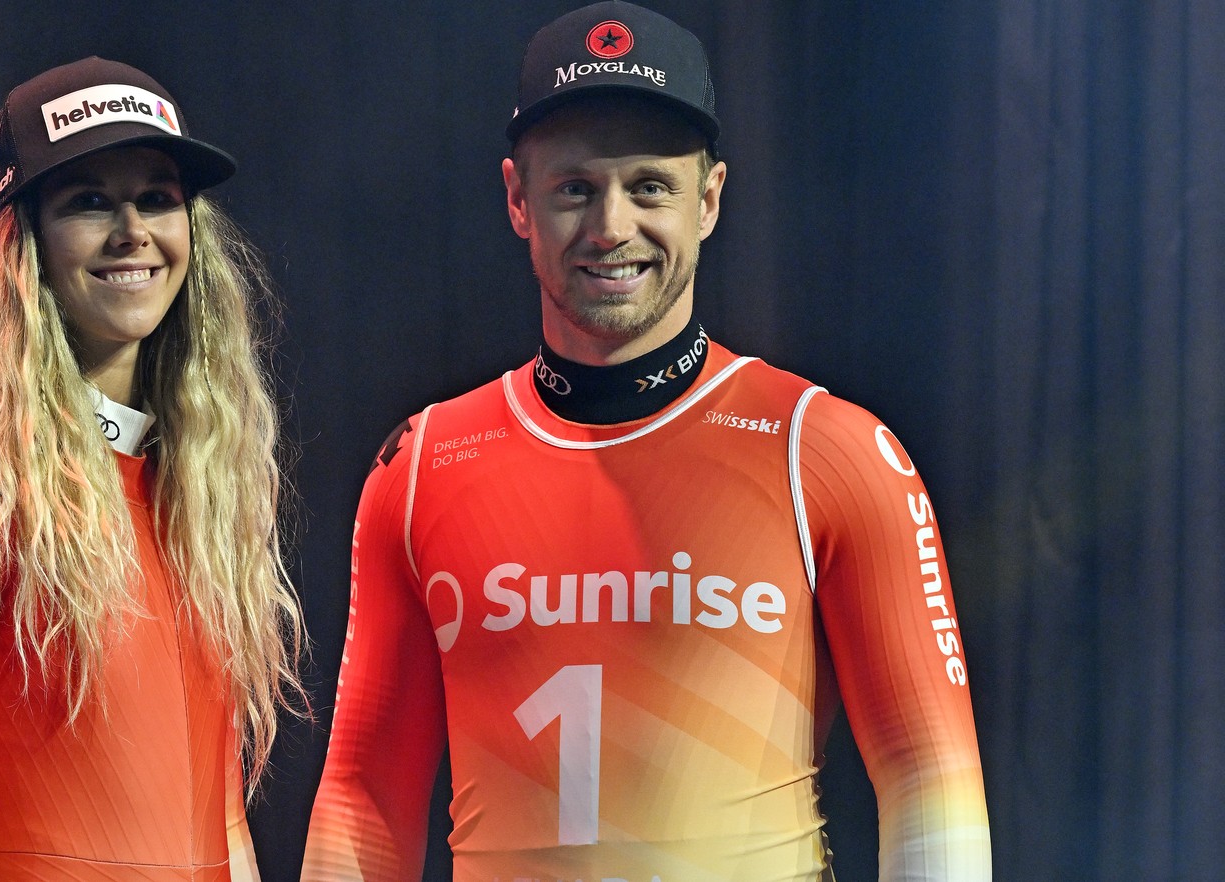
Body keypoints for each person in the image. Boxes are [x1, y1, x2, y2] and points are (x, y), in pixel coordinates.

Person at [301, 3, 992, 880]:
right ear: (518, 199)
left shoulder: (828, 449)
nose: (612, 228)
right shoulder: (421, 465)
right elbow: (363, 798)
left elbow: (931, 778)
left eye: (651, 187)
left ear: (709, 200)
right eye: (575, 189)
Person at [0, 57, 302, 881]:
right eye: (89, 201)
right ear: (24, 241)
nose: (131, 230)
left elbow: (227, 832)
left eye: (158, 198)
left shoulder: (205, 489)